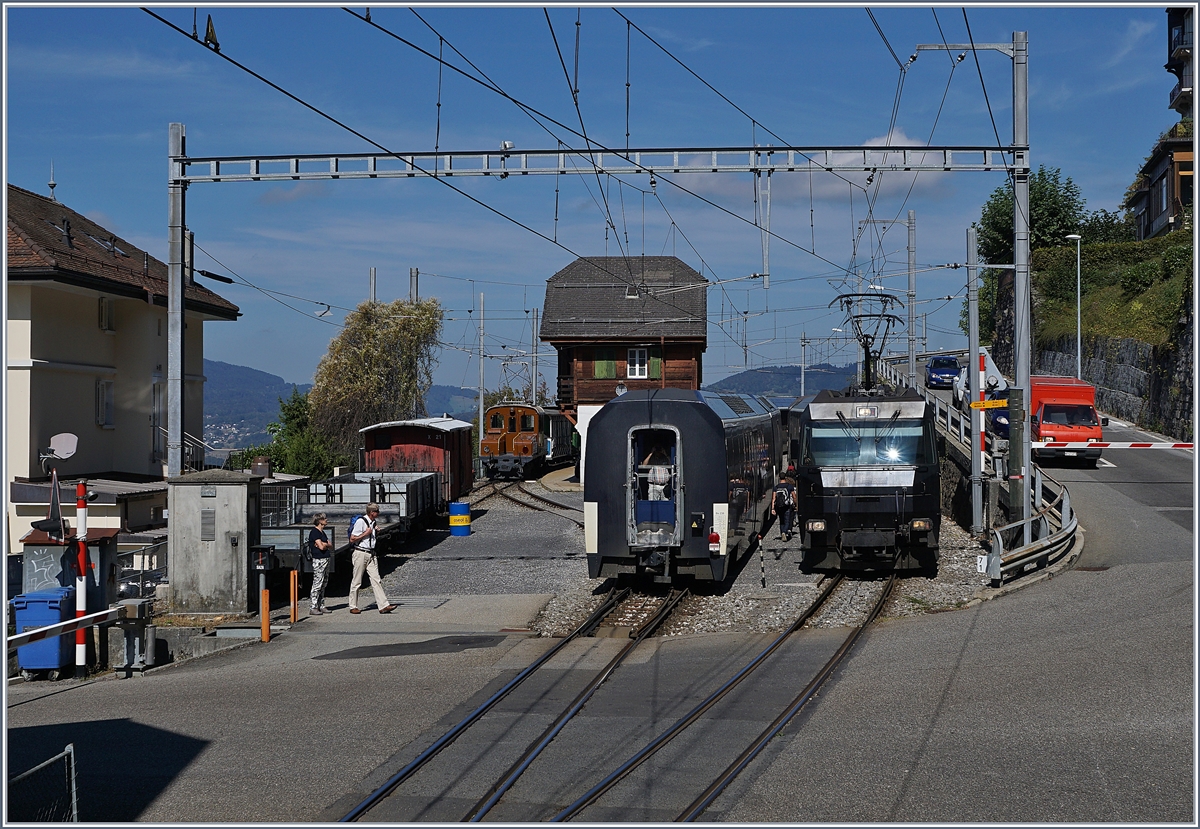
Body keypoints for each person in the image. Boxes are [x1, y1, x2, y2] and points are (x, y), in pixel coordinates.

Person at [348, 504, 397, 614]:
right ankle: (353, 606)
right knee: (357, 580)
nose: (378, 513)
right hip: (360, 553)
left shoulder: (373, 522)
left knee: (376, 580)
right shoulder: (361, 522)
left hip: (371, 554)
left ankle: (383, 605)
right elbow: (352, 539)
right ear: (372, 513)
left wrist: (376, 531)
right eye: (377, 511)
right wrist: (366, 533)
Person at [307, 513, 333, 615]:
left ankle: (321, 605)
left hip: (325, 559)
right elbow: (321, 547)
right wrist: (324, 545)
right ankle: (313, 606)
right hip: (319, 560)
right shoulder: (314, 532)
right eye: (324, 518)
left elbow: (329, 545)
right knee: (317, 583)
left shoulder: (323, 533)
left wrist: (325, 544)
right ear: (320, 521)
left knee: (324, 583)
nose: (326, 520)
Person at [771, 476, 797, 541]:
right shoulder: (789, 486)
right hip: (787, 506)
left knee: (781, 521)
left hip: (779, 506)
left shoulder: (776, 487)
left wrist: (772, 509)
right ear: (785, 478)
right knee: (787, 520)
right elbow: (794, 496)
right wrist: (796, 505)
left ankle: (782, 532)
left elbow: (773, 498)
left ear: (779, 478)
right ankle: (784, 532)